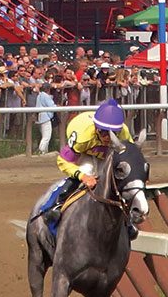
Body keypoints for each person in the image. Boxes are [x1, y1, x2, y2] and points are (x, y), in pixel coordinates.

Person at [49, 98, 136, 236]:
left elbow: (130, 159)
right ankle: (55, 204)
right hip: (85, 152)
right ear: (96, 128)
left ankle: (128, 219)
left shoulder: (124, 133)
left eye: (112, 133)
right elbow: (63, 160)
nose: (107, 137)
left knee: (116, 179)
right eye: (103, 132)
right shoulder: (83, 135)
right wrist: (82, 176)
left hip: (108, 155)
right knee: (87, 170)